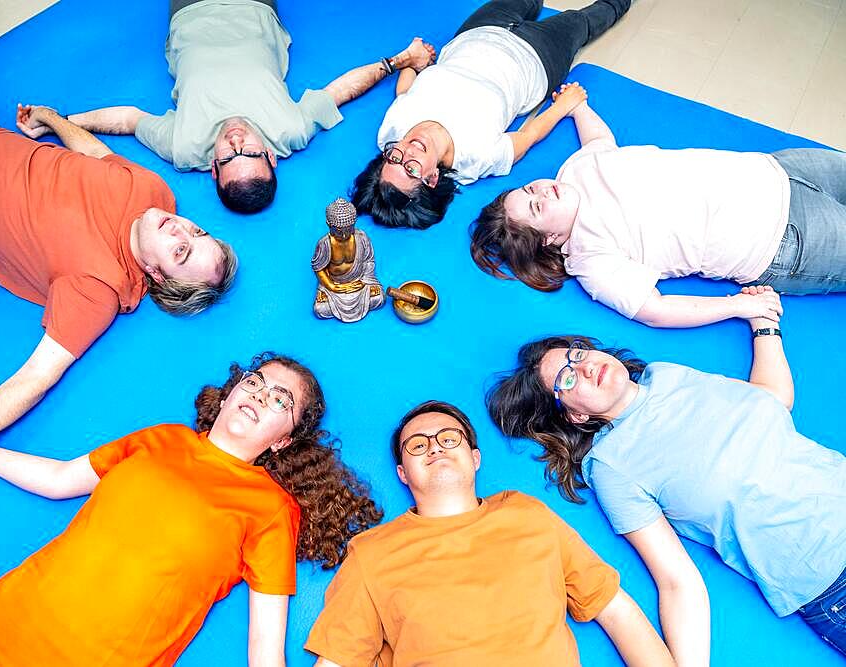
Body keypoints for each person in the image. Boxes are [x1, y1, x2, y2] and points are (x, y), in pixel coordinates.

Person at [0, 79, 237, 488]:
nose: (182, 232)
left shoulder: (98, 289)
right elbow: (95, 154)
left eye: (181, 253)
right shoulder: (154, 191)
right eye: (198, 234)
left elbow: (36, 376)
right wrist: (51, 118)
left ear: (157, 275)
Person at [0, 352, 382, 667]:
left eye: (282, 400)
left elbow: (265, 650)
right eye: (257, 382)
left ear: (282, 440)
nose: (261, 394)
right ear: (233, 391)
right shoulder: (163, 439)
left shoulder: (271, 510)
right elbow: (59, 480)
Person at [486, 287, 846, 662]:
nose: (586, 366)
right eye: (568, 378)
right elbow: (677, 581)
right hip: (830, 581)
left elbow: (771, 400)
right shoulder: (611, 466)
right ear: (575, 415)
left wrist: (764, 324)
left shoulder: (667, 375)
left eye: (577, 354)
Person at [305, 400, 674, 666]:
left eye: (449, 438)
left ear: (475, 458)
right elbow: (337, 661)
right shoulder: (372, 554)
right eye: (418, 445)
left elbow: (616, 611)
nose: (434, 447)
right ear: (403, 472)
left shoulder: (527, 515)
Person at [470, 95, 846, 327]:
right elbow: (656, 310)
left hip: (779, 170)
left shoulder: (572, 171)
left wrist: (580, 109)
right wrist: (736, 307)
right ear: (550, 238)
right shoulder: (591, 260)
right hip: (785, 240)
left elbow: (601, 142)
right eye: (537, 206)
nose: (542, 190)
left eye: (528, 188)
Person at [56, 0, 436, 214]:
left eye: (228, 157)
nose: (236, 141)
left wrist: (64, 121)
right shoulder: (290, 131)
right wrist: (400, 60)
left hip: (190, 9)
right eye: (249, 152)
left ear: (212, 169)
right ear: (270, 155)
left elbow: (128, 119)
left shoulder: (184, 149)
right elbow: (342, 90)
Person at [351, 0, 630, 230]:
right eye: (411, 169)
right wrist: (564, 105)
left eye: (394, 158)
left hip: (477, 32)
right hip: (537, 58)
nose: (406, 153)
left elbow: (405, 94)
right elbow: (527, 136)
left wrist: (412, 63)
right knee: (583, 21)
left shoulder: (391, 132)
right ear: (432, 178)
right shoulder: (475, 159)